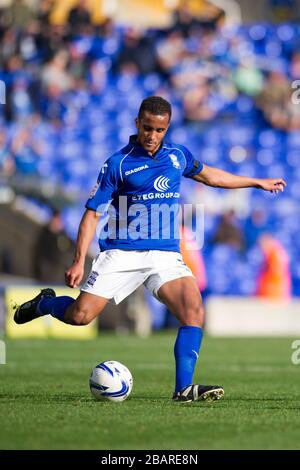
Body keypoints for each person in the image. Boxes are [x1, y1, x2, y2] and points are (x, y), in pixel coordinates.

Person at [14, 96, 286, 402]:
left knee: (194, 311)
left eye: (159, 130)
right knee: (80, 316)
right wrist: (79, 261)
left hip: (165, 255)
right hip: (122, 253)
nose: (152, 135)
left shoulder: (177, 156)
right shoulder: (117, 164)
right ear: (137, 124)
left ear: (167, 128)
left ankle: (183, 389)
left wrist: (255, 182)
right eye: (147, 128)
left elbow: (211, 176)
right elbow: (92, 214)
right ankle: (45, 303)